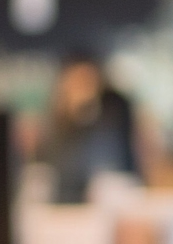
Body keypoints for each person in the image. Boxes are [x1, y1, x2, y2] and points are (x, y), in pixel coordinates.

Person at [35, 53, 139, 203]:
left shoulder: (114, 115)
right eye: (77, 80)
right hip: (64, 207)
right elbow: (50, 170)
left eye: (88, 80)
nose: (83, 87)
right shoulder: (53, 121)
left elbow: (116, 165)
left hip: (108, 203)